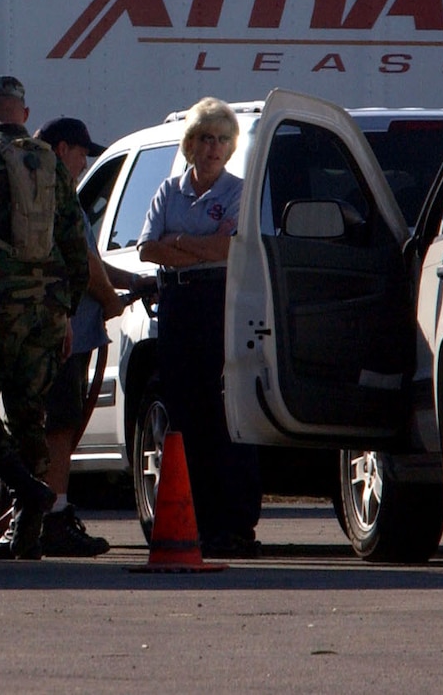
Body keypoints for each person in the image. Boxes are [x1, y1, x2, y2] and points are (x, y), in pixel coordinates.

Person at [0, 76, 94, 561]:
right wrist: (65, 312)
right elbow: (75, 248)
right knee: (31, 419)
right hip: (46, 312)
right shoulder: (50, 162)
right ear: (24, 112)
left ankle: (28, 491)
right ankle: (27, 533)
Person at [137, 97, 262, 558]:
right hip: (177, 304)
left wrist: (181, 241)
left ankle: (236, 524)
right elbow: (148, 249)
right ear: (190, 144)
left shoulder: (238, 191)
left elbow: (226, 250)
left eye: (222, 141)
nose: (212, 148)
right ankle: (199, 519)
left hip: (218, 304)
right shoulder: (169, 191)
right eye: (205, 139)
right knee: (184, 414)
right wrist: (194, 246)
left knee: (224, 414)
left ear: (231, 148)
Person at [35, 116, 154, 558]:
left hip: (44, 328)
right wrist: (108, 300)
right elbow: (81, 261)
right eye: (82, 153)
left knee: (39, 425)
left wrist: (131, 284)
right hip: (62, 332)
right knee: (60, 426)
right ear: (63, 149)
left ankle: (32, 517)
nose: (85, 163)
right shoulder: (57, 192)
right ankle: (54, 517)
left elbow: (93, 262)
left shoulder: (32, 188)